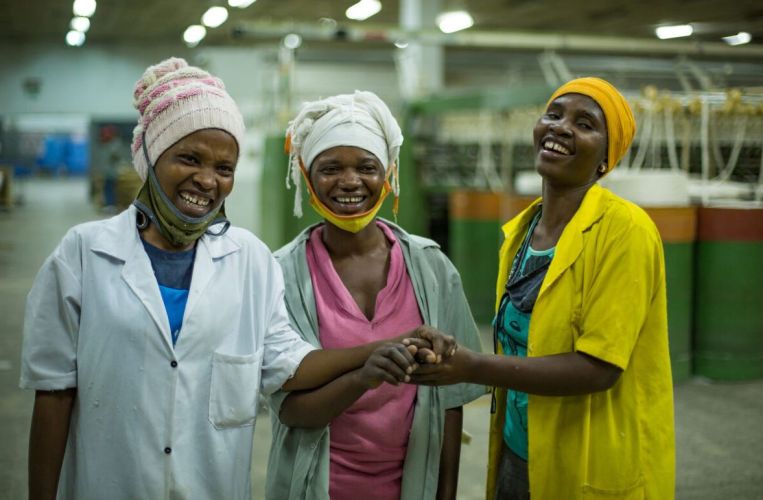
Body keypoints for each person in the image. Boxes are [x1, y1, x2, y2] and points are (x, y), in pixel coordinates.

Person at [19, 59, 450, 500]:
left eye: (224, 168)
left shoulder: (249, 260)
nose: (206, 180)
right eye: (189, 159)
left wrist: (382, 348)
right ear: (149, 157)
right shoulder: (85, 254)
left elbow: (287, 363)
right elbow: (54, 393)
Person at [410, 77, 675, 499]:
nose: (561, 127)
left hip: (589, 459)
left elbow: (598, 367)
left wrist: (470, 365)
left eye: (585, 123)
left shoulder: (625, 231)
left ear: (607, 157)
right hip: (519, 448)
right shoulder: (523, 231)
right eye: (554, 114)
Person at [266, 90, 486, 500]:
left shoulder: (431, 267)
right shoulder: (281, 274)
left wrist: (447, 494)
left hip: (411, 486)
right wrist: (363, 377)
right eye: (330, 168)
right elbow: (291, 410)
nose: (350, 181)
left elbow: (452, 402)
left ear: (387, 174)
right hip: (317, 487)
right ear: (306, 175)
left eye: (366, 167)